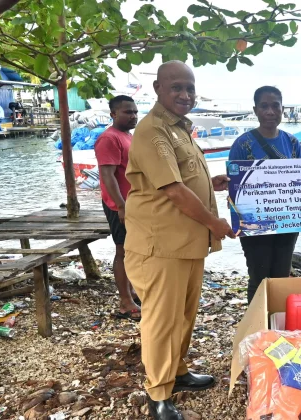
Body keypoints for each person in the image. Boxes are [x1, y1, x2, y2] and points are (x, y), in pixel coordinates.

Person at [124, 61, 236, 420]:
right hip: (160, 246)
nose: (185, 94)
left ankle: (178, 371)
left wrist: (212, 183)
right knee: (161, 321)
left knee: (185, 315)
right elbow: (173, 190)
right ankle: (158, 394)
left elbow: (182, 178)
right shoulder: (152, 131)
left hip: (186, 243)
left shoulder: (179, 128)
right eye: (176, 87)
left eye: (190, 88)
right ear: (158, 88)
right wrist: (216, 223)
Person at [228, 86, 301, 304]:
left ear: (282, 109)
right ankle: (257, 321)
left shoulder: (292, 143)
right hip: (254, 222)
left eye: (275, 106)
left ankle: (276, 319)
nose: (270, 111)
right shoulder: (243, 144)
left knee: (281, 275)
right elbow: (235, 185)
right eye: (264, 106)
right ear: (255, 110)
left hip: (287, 220)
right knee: (259, 276)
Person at [93, 95, 141, 321]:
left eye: (135, 112)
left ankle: (132, 291)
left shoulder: (127, 136)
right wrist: (121, 206)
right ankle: (125, 301)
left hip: (134, 203)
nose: (133, 116)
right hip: (119, 204)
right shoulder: (109, 138)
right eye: (128, 112)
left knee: (133, 249)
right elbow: (107, 176)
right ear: (113, 114)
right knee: (122, 250)